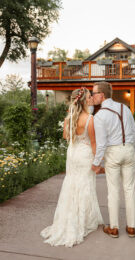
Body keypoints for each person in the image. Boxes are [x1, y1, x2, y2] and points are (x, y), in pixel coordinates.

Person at [40, 87, 103, 247]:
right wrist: (98, 162)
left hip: (73, 154)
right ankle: (83, 221)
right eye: (89, 96)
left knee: (71, 183)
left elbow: (65, 136)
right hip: (85, 154)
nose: (91, 98)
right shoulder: (90, 119)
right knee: (85, 185)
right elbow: (94, 143)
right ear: (83, 101)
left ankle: (68, 219)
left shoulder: (69, 118)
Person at [91, 81, 135, 238]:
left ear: (101, 95)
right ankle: (131, 228)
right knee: (129, 189)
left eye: (94, 93)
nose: (92, 96)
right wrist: (131, 149)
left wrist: (96, 163)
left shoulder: (100, 115)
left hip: (113, 153)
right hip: (129, 150)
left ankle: (114, 228)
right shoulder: (124, 108)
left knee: (113, 191)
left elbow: (101, 144)